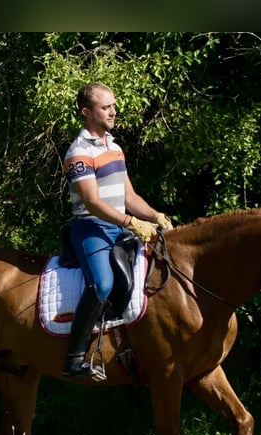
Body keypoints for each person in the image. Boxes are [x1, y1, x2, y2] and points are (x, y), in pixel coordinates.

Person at [62, 81, 173, 381]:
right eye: (105, 107)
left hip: (119, 227)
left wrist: (155, 216)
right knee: (102, 284)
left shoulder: (115, 147)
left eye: (113, 105)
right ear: (87, 112)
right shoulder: (79, 152)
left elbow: (129, 197)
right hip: (91, 228)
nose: (113, 111)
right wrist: (131, 223)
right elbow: (93, 203)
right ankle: (73, 358)